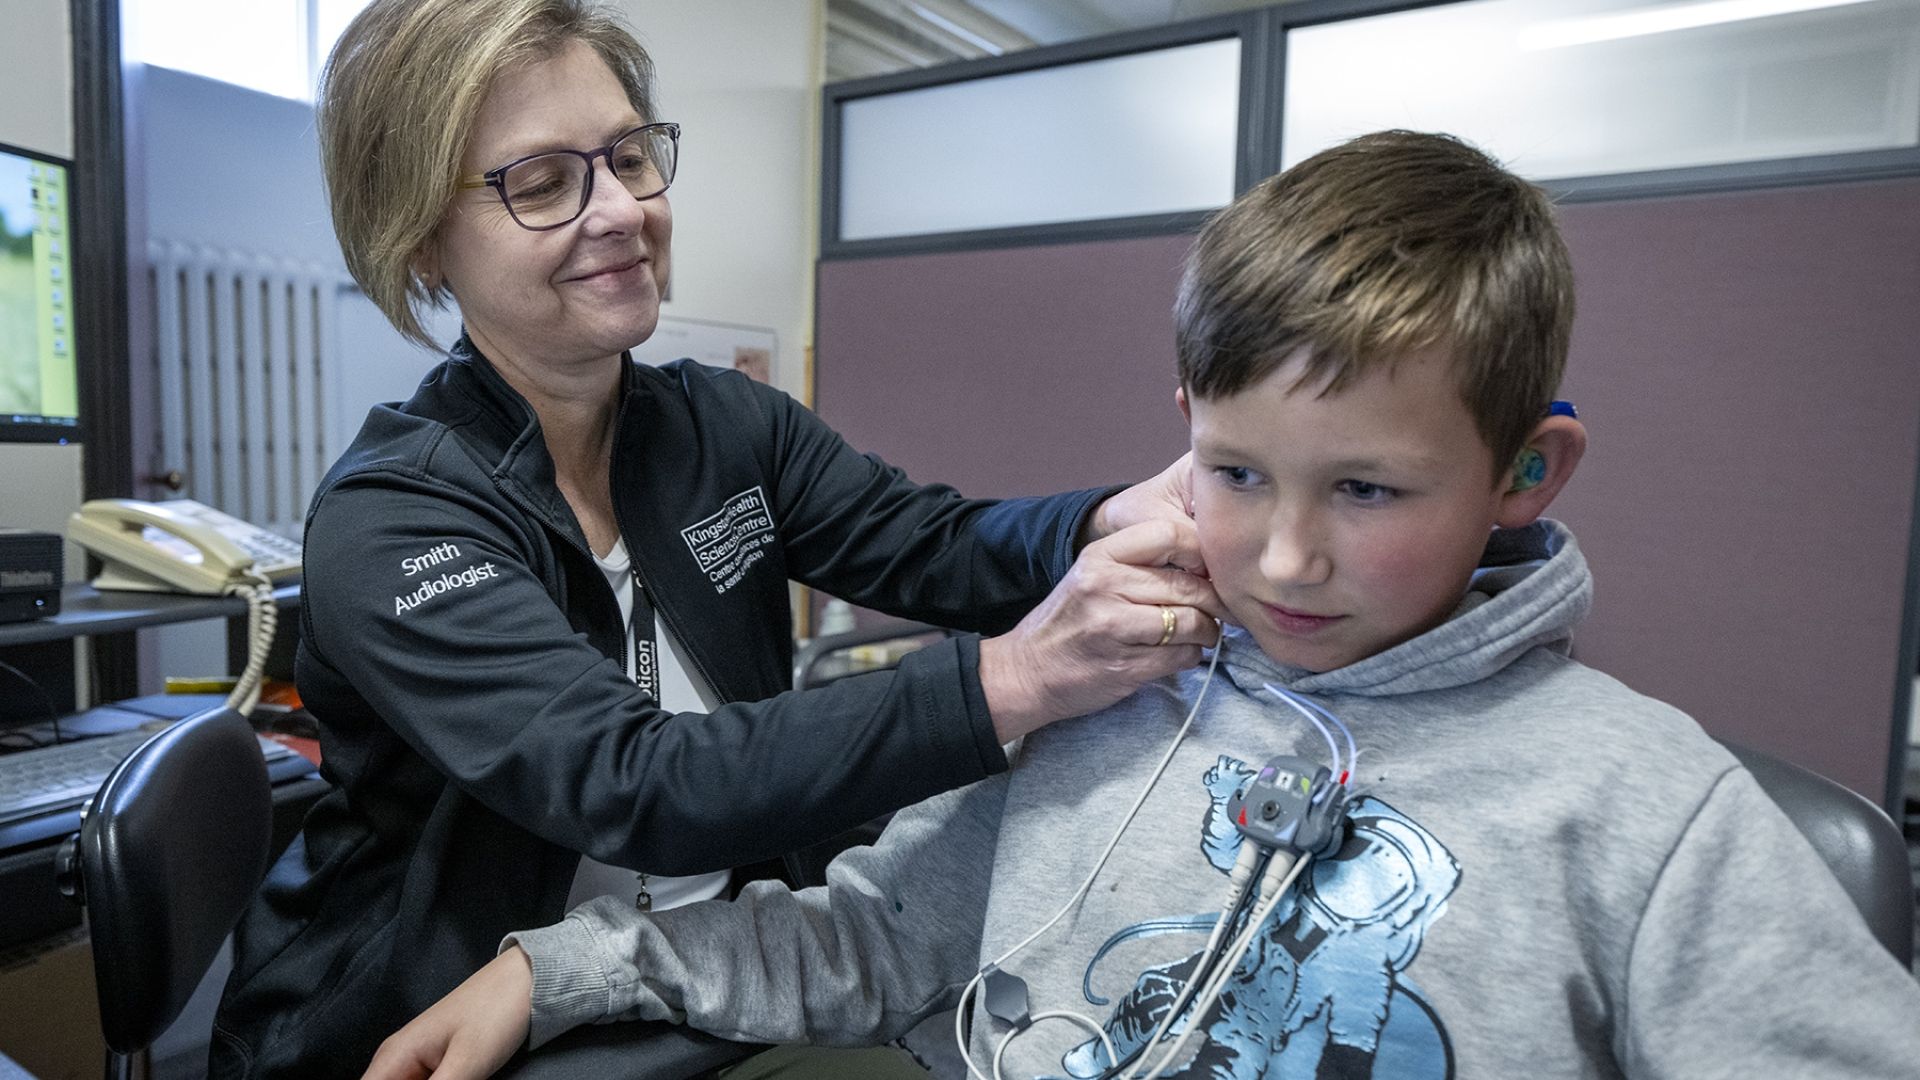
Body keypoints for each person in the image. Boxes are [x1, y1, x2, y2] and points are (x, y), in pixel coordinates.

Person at [362, 129, 1920, 1080]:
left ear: (1528, 469)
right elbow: (846, 920)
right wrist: (549, 965)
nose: (1287, 560)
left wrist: (1091, 545)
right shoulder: (1118, 713)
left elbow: (937, 539)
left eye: (1365, 490)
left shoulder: (1648, 815)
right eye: (1233, 475)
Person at [207, 1, 1225, 1077]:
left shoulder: (724, 426)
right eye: (544, 183)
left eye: (630, 157)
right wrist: (1017, 676)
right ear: (419, 246)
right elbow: (634, 782)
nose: (619, 212)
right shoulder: (395, 518)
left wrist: (1103, 520)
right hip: (438, 1021)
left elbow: (937, 546)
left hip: (691, 977)